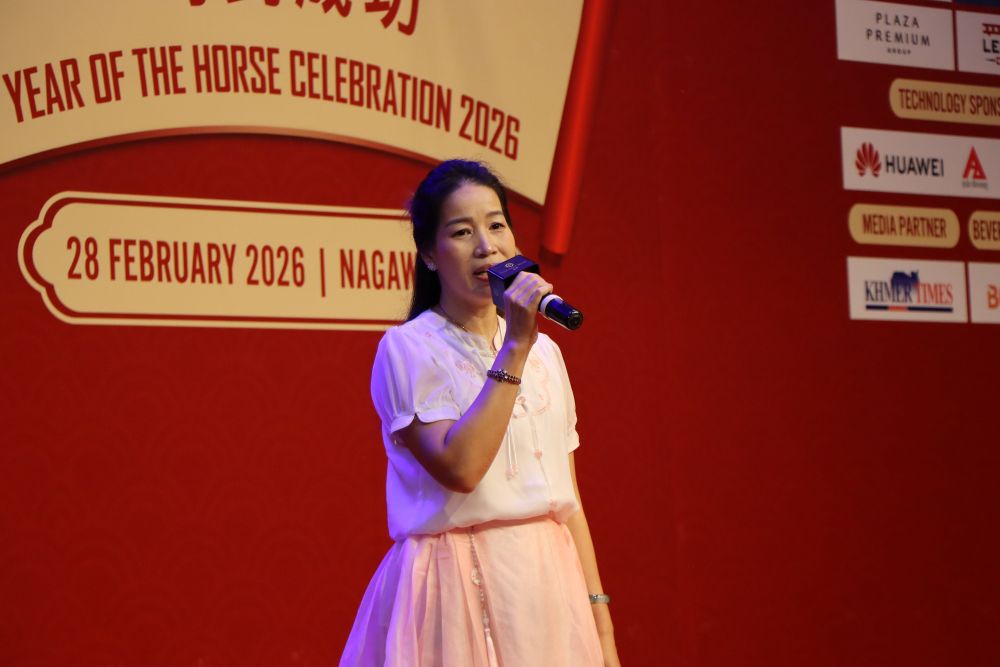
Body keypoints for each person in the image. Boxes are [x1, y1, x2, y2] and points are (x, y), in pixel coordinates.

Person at [340, 159, 620, 667]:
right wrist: (514, 347)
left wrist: (600, 623)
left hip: (548, 589)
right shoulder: (409, 349)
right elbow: (461, 468)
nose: (486, 246)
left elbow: (568, 500)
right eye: (462, 232)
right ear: (429, 254)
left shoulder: (546, 352)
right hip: (454, 590)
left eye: (496, 225)